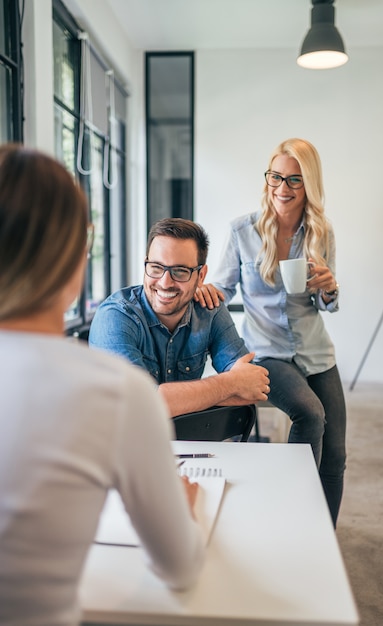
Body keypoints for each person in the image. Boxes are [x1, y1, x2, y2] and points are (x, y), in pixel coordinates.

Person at [0, 144, 205, 626]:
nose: (166, 281)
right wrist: (183, 504)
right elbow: (180, 566)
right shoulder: (119, 394)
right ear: (77, 258)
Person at [194, 138, 346, 528]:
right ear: (268, 178)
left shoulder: (320, 232)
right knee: (311, 415)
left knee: (335, 455)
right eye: (276, 177)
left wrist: (329, 287)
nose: (282, 188)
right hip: (267, 352)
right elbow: (224, 289)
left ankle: (321, 535)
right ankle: (291, 520)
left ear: (308, 184)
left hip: (315, 351)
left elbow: (326, 305)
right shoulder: (242, 231)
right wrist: (206, 291)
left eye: (294, 180)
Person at [89, 217, 270, 417]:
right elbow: (140, 404)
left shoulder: (209, 309)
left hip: (185, 444)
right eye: (156, 268)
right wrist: (230, 383)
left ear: (201, 276)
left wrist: (170, 400)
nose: (165, 283)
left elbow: (254, 387)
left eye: (180, 271)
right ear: (145, 265)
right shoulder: (115, 316)